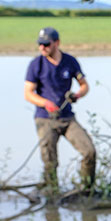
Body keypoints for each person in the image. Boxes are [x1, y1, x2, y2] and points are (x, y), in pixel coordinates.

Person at [24, 26, 96, 193]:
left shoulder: (70, 61)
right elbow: (28, 93)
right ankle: (52, 194)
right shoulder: (36, 65)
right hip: (45, 119)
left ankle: (87, 190)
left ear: (57, 43)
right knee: (50, 161)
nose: (42, 47)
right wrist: (45, 103)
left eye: (46, 44)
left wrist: (77, 95)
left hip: (67, 118)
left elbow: (84, 85)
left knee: (89, 151)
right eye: (39, 44)